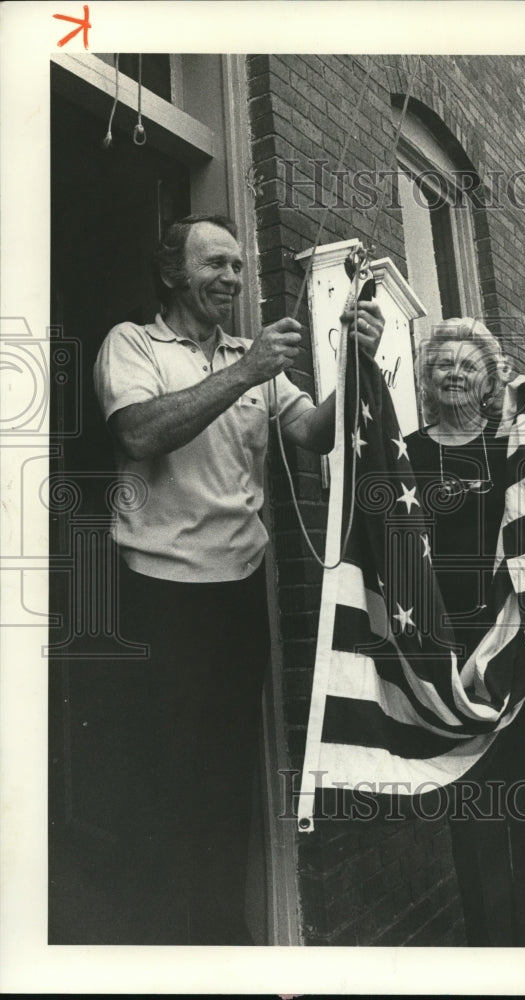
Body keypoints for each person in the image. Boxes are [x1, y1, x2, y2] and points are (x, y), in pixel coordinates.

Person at [92, 213, 384, 944]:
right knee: (157, 783)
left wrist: (353, 363)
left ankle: (224, 947)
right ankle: (152, 951)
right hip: (158, 600)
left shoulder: (248, 356)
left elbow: (313, 432)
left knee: (225, 783)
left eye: (237, 267)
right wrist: (246, 370)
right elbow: (138, 433)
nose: (231, 278)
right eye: (215, 264)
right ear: (172, 274)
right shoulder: (134, 344)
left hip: (236, 597)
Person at [405, 318, 525, 947]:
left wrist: (521, 402)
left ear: (489, 379)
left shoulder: (514, 448)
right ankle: (492, 967)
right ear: (425, 378)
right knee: (474, 828)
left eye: (469, 364)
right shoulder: (408, 454)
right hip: (454, 668)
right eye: (442, 363)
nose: (454, 373)